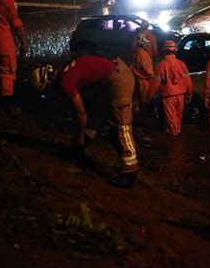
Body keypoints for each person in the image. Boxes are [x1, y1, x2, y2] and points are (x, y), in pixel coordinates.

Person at [30, 55, 139, 188]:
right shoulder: (66, 70)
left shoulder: (66, 82)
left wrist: (79, 136)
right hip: (111, 78)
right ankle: (81, 147)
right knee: (96, 113)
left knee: (121, 127)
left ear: (49, 82)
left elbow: (80, 113)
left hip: (119, 79)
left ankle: (129, 174)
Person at [147, 40, 192, 135]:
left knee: (171, 121)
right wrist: (189, 93)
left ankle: (174, 143)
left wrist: (150, 96)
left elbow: (155, 83)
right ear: (175, 50)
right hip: (181, 96)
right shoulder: (181, 64)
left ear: (164, 51)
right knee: (178, 118)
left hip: (169, 97)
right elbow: (188, 81)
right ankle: (178, 138)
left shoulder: (161, 65)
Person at [131, 32, 154, 108]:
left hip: (138, 78)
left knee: (138, 98)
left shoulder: (137, 53)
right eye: (146, 44)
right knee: (144, 100)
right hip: (143, 80)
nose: (148, 45)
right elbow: (148, 70)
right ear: (142, 44)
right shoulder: (143, 54)